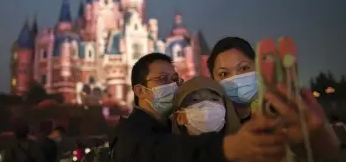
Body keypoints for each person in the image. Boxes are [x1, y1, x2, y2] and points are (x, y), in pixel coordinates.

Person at [110, 52, 288, 162]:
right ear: (140, 91)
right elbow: (162, 152)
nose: (173, 86)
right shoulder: (130, 134)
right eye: (163, 79)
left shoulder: (168, 129)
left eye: (175, 79)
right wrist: (228, 147)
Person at [207, 36, 340, 160]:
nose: (234, 78)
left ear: (258, 67)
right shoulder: (210, 124)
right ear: (213, 80)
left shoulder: (292, 104)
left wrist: (315, 141)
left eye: (243, 68)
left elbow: (332, 153)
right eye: (224, 74)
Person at [171, 75, 241, 136]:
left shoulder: (244, 148)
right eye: (195, 100)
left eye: (214, 99)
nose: (206, 108)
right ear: (179, 116)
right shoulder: (169, 150)